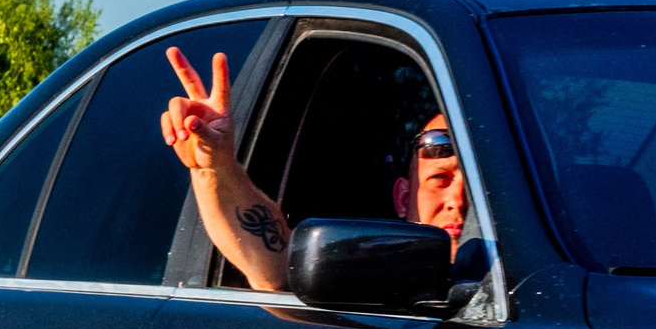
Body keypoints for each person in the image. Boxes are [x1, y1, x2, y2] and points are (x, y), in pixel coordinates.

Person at [160, 49, 469, 292]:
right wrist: (214, 168)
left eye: (479, 190)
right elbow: (280, 268)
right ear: (402, 198)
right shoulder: (375, 279)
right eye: (440, 179)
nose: (459, 200)